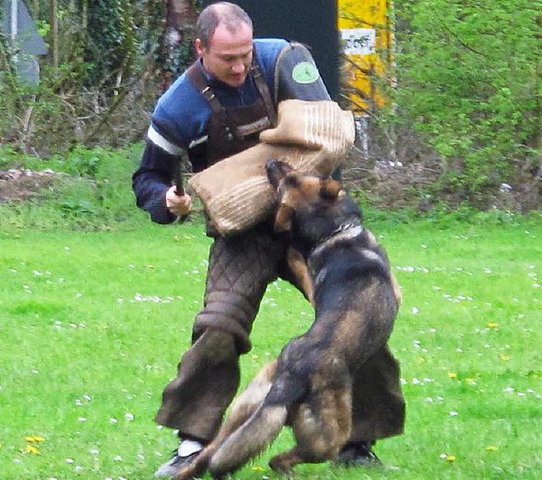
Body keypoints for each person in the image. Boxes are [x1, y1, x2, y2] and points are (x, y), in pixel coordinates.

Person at [132, 2, 405, 477]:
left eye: (245, 55)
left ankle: (357, 441)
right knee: (219, 324)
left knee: (362, 323)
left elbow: (329, 129)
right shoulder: (177, 106)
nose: (240, 67)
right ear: (199, 49)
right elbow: (147, 179)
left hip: (316, 230)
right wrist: (168, 201)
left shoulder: (282, 60)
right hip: (245, 236)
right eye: (227, 59)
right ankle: (194, 441)